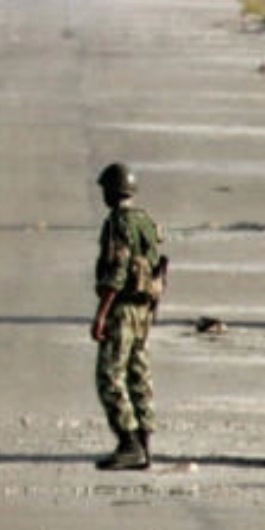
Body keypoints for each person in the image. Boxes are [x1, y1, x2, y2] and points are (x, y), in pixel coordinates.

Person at [91, 162, 166, 471]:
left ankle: (128, 441)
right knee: (139, 373)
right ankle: (144, 441)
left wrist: (101, 314)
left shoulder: (117, 223)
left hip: (122, 309)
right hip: (143, 309)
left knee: (109, 375)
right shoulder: (146, 221)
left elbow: (118, 271)